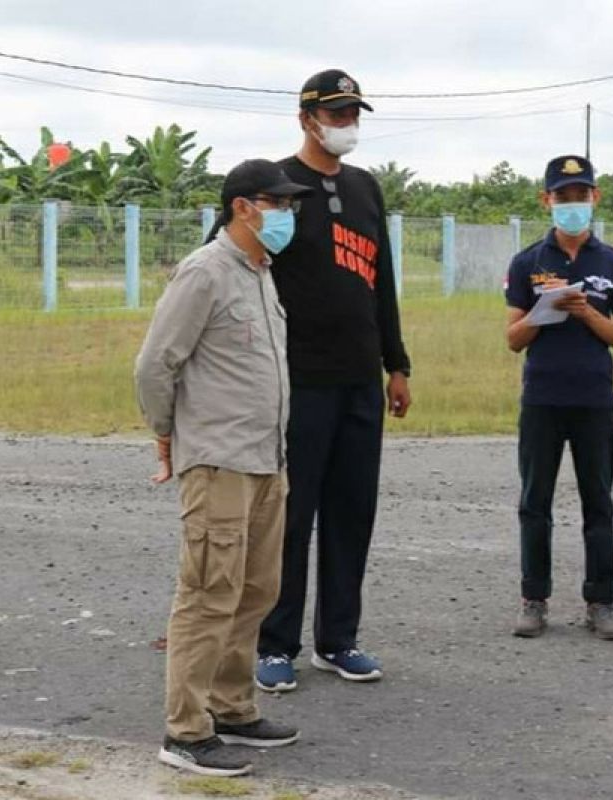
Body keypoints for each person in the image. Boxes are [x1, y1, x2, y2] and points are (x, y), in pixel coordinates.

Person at [136, 160, 312, 777]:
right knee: (209, 594)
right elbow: (155, 365)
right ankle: (185, 730)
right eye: (279, 204)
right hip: (218, 461)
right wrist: (168, 436)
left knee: (257, 589)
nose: (288, 215)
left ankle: (232, 706)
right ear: (244, 206)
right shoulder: (205, 272)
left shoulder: (261, 273)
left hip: (266, 459)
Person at [255, 69, 412, 693]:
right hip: (300, 380)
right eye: (338, 114)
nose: (347, 125)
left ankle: (338, 639)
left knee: (353, 511)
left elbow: (383, 282)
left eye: (354, 114)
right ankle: (275, 643)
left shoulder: (366, 188)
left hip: (359, 381)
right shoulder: (276, 187)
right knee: (292, 516)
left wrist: (396, 364)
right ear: (307, 119)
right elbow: (236, 260)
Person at [504, 155, 613, 640]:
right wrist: (545, 311)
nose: (573, 204)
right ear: (547, 201)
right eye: (563, 196)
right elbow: (513, 339)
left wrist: (586, 313)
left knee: (597, 502)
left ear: (595, 198)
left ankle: (601, 601)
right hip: (542, 398)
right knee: (534, 501)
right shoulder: (527, 262)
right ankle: (533, 599)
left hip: (594, 399)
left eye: (581, 195)